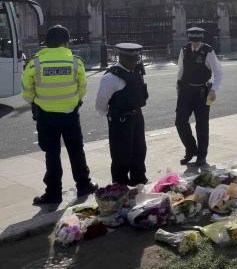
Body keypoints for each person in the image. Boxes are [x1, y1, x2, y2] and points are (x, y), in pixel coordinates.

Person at [21, 25, 97, 205]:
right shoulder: (75, 61)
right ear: (66, 42)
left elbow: (26, 91)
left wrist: (35, 102)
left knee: (52, 154)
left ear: (46, 42)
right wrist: (73, 100)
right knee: (76, 150)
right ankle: (84, 185)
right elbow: (83, 87)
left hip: (46, 116)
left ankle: (53, 193)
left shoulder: (35, 62)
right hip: (70, 114)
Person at [95, 43, 149, 186]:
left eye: (135, 60)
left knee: (139, 151)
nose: (133, 63)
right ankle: (120, 186)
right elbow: (100, 104)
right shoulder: (111, 77)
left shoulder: (136, 71)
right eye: (130, 60)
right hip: (120, 120)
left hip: (137, 116)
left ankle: (139, 181)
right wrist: (113, 115)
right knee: (121, 156)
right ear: (121, 58)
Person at [176, 27, 224, 167]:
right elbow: (180, 70)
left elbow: (218, 72)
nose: (195, 44)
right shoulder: (184, 50)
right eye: (193, 41)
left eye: (197, 41)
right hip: (185, 90)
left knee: (202, 125)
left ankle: (201, 156)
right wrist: (178, 89)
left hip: (202, 92)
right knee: (180, 122)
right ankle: (191, 150)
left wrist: (214, 89)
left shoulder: (208, 51)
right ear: (190, 39)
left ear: (201, 39)